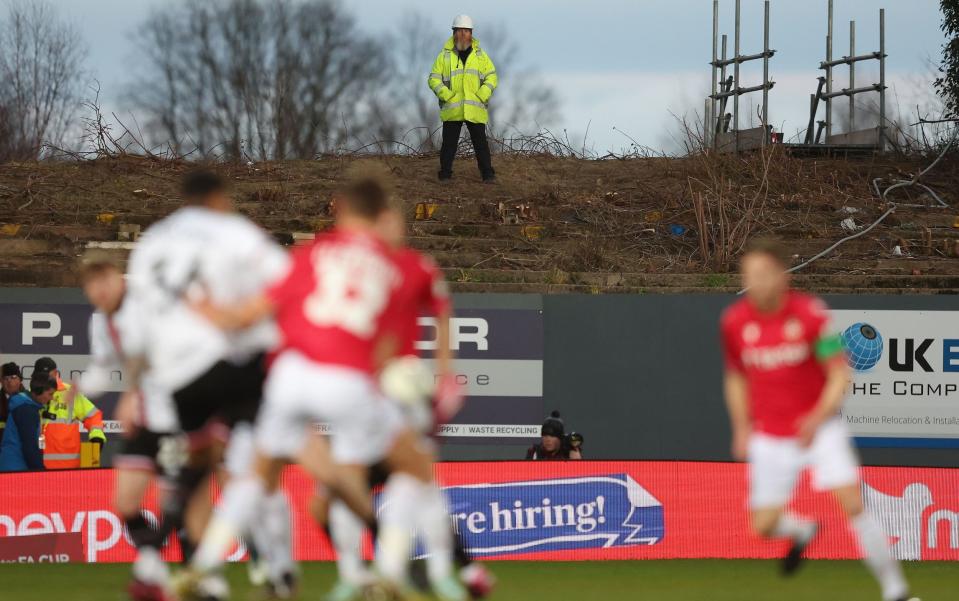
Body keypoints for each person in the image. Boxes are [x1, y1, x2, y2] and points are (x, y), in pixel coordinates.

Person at [184, 175, 468, 601]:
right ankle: (388, 570)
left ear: (342, 211)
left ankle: (205, 564)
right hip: (348, 379)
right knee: (412, 467)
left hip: (290, 375)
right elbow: (392, 340)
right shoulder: (396, 265)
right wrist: (441, 375)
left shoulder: (308, 254)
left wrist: (205, 308)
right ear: (381, 216)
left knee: (259, 473)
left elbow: (248, 315)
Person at [124, 169, 295, 601]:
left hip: (175, 379)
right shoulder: (233, 231)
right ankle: (278, 571)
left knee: (196, 468)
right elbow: (287, 281)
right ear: (219, 198)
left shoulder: (152, 242)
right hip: (227, 362)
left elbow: (138, 328)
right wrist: (242, 316)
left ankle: (191, 571)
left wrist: (133, 390)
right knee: (256, 465)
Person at [720, 238, 918, 601]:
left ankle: (896, 591)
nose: (756, 281)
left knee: (853, 504)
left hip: (820, 429)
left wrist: (815, 418)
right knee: (762, 526)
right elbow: (735, 377)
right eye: (749, 274)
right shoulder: (735, 323)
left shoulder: (811, 315)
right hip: (771, 436)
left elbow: (839, 374)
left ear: (782, 274)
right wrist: (741, 427)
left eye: (763, 273)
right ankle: (802, 530)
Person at [74, 250, 180, 601]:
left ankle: (173, 579)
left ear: (118, 280)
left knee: (173, 504)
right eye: (91, 286)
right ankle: (156, 573)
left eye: (103, 282)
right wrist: (82, 386)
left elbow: (148, 354)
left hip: (175, 415)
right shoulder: (99, 321)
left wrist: (132, 392)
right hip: (145, 418)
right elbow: (103, 369)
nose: (98, 292)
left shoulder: (144, 305)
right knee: (126, 502)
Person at [429, 14, 498, 183]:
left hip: (475, 108)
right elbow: (433, 79)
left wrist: (481, 95)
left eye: (466, 31)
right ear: (453, 32)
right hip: (453, 108)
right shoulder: (443, 56)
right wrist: (447, 95)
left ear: (471, 33)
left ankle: (488, 175)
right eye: (459, 30)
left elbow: (492, 77)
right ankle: (445, 175)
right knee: (449, 145)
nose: (463, 34)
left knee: (481, 144)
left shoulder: (481, 56)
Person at [32, 356, 106, 469]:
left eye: (48, 375)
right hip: (37, 466)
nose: (45, 379)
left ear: (56, 373)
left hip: (68, 467)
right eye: (41, 376)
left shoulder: (70, 392)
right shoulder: (31, 394)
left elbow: (93, 415)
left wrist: (97, 438)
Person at [0, 376, 53, 472]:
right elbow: (30, 446)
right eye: (50, 394)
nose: (51, 398)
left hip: (12, 465)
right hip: (17, 469)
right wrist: (40, 470)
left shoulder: (24, 406)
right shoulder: (27, 410)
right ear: (39, 391)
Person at [1, 362, 25, 438]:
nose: (9, 381)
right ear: (1, 381)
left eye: (13, 377)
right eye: (5, 378)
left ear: (20, 379)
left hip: (22, 447)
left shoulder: (30, 400)